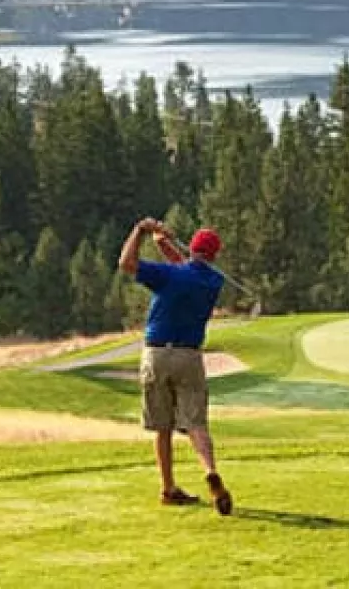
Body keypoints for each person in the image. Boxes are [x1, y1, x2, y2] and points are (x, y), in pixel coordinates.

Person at [117, 217, 234, 515]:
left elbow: (126, 263)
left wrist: (141, 231)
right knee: (196, 422)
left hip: (157, 354)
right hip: (189, 357)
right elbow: (186, 268)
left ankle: (168, 488)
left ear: (191, 248)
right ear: (215, 255)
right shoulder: (212, 281)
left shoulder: (168, 276)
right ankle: (209, 469)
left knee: (162, 426)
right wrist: (163, 240)